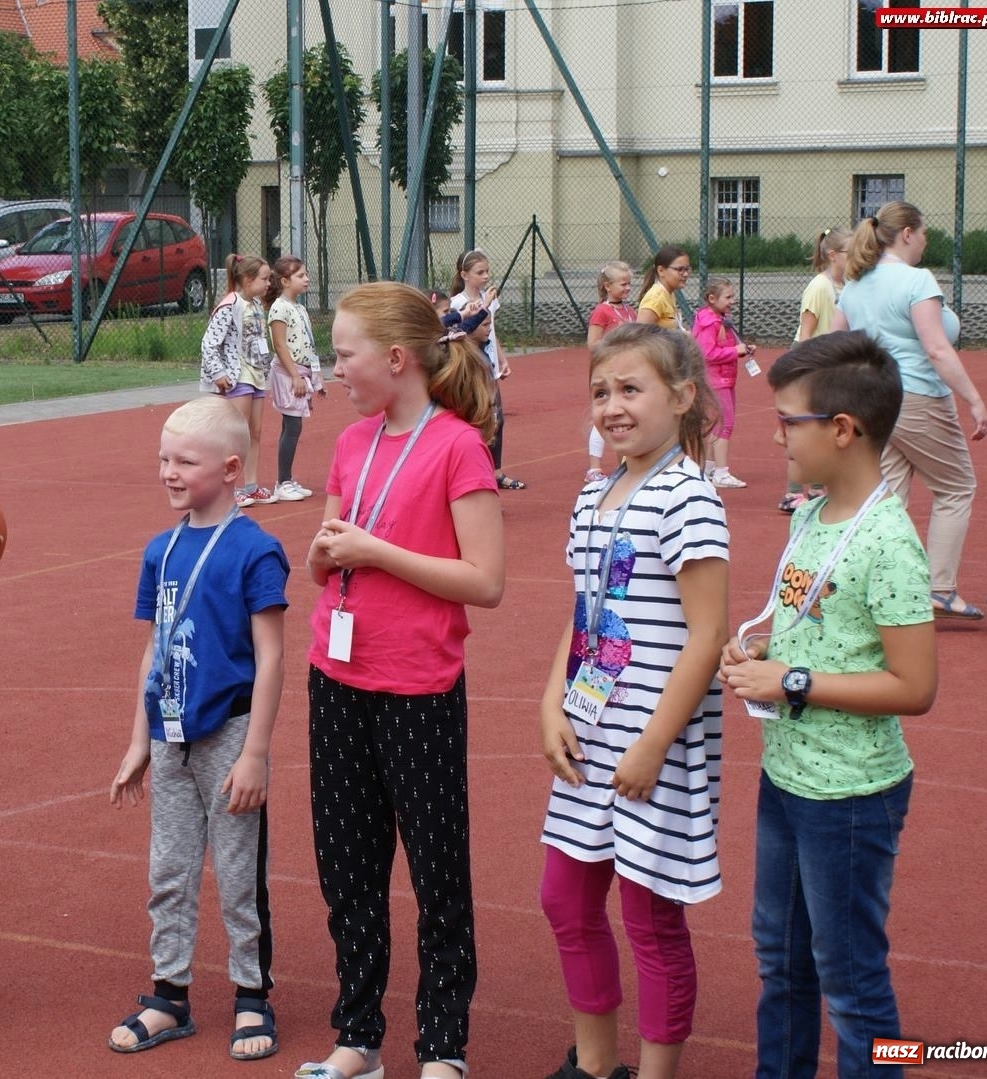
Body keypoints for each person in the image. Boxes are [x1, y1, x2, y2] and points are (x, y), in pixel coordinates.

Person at [297, 282, 505, 1079]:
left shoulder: (458, 446)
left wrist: (376, 553)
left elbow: (484, 580)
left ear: (395, 358)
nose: (334, 368)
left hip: (417, 684)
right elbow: (326, 560)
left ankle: (443, 1046)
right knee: (347, 865)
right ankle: (358, 1035)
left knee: (435, 869)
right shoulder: (352, 442)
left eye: (344, 353)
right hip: (337, 671)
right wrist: (328, 551)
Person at [719, 330, 937, 1079]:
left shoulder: (890, 541)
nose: (774, 432)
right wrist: (758, 656)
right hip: (788, 776)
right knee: (780, 960)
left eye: (788, 420)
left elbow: (915, 687)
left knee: (850, 981)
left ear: (842, 430)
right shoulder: (810, 513)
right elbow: (799, 627)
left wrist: (794, 682)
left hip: (851, 795)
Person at [538, 323, 729, 1079]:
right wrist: (551, 703)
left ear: (682, 397)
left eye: (630, 388)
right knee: (566, 900)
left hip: (656, 740)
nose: (612, 406)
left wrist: (653, 742)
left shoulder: (688, 498)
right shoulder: (593, 493)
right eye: (600, 391)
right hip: (589, 730)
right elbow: (582, 615)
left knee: (651, 919)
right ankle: (593, 1066)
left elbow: (708, 634)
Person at [107, 395, 290, 1062]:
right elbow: (154, 651)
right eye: (163, 458)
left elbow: (270, 654)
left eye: (185, 459)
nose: (168, 471)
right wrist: (138, 742)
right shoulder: (160, 550)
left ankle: (251, 994)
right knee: (169, 869)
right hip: (169, 737)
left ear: (231, 467)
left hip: (230, 734)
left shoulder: (255, 550)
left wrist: (256, 753)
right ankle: (169, 995)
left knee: (239, 873)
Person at [833, 201, 987, 620]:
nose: (924, 242)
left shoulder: (855, 284)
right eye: (923, 234)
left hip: (876, 400)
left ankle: (872, 588)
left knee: (887, 500)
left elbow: (836, 343)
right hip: (919, 398)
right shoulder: (917, 279)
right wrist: (974, 399)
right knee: (956, 487)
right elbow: (937, 348)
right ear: (906, 234)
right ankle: (939, 588)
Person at [200, 253, 277, 507]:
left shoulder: (255, 305)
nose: (268, 284)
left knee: (255, 433)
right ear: (246, 279)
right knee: (237, 434)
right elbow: (209, 344)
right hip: (237, 377)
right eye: (264, 279)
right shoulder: (230, 305)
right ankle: (228, 489)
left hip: (256, 375)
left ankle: (251, 485)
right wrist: (219, 374)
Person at [781, 230, 849, 513]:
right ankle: (794, 492)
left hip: (831, 365)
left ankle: (820, 487)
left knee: (826, 432)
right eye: (850, 252)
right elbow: (806, 334)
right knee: (804, 429)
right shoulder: (820, 287)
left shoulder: (847, 286)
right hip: (810, 363)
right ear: (833, 255)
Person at [448, 249, 521, 490]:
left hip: (488, 364)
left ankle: (495, 472)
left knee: (497, 418)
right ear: (464, 275)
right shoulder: (458, 303)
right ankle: (476, 476)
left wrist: (501, 358)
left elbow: (492, 330)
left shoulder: (490, 299)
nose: (486, 276)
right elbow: (460, 334)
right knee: (477, 418)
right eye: (480, 272)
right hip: (471, 365)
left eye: (487, 271)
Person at [266, 256, 324, 503]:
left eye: (306, 274)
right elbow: (279, 344)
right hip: (288, 372)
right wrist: (294, 376)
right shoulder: (279, 307)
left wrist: (315, 376)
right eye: (301, 275)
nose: (307, 279)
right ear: (284, 280)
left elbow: (307, 343)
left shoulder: (299, 308)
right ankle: (283, 482)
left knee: (291, 426)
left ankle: (286, 479)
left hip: (301, 371)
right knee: (293, 426)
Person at [692, 277, 755, 489]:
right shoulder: (711, 322)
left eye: (732, 296)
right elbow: (707, 352)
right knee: (724, 425)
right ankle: (721, 472)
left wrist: (740, 349)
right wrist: (733, 351)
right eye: (728, 297)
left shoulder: (719, 319)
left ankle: (709, 467)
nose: (732, 301)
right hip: (716, 380)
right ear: (712, 298)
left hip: (723, 378)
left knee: (714, 425)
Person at [583, 262, 637, 480]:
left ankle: (624, 465)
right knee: (605, 415)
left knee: (624, 417)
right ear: (607, 286)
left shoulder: (629, 311)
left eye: (629, 284)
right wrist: (616, 346)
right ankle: (594, 467)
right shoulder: (601, 312)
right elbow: (593, 344)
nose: (627, 288)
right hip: (608, 372)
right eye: (623, 284)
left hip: (628, 371)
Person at [635, 246, 692, 331]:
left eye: (687, 269)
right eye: (680, 269)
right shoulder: (655, 298)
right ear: (661, 270)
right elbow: (640, 335)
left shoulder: (669, 293)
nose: (685, 274)